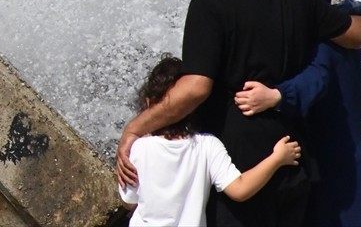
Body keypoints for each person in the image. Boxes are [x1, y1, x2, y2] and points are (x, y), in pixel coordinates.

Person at [116, 0, 361, 227]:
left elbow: (196, 87)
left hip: (238, 166)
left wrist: (136, 127)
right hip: (291, 154)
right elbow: (358, 34)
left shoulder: (209, 3)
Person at [233, 0, 361, 227]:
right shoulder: (347, 42)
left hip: (337, 173)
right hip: (360, 160)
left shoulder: (320, 44)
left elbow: (317, 78)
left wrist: (277, 96)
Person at [119, 55, 302, 227]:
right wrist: (277, 158)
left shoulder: (139, 148)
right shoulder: (206, 146)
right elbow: (240, 190)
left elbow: (129, 201)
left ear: (149, 105)